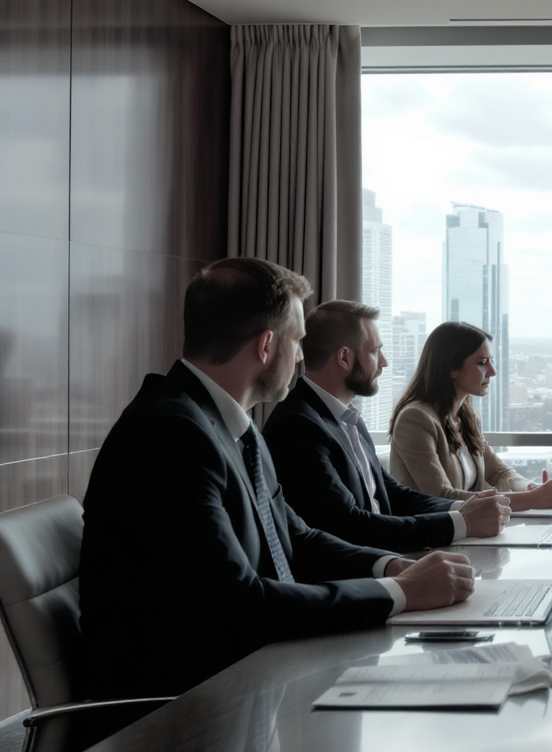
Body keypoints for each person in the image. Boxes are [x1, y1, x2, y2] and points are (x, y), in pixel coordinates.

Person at [79, 258, 475, 700]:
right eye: (298, 340)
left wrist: (391, 566)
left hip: (251, 674)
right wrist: (399, 593)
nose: (303, 356)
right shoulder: (171, 435)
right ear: (266, 345)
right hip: (184, 706)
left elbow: (296, 538)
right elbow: (239, 607)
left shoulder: (229, 427)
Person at [263, 300, 510, 553]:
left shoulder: (347, 418)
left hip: (386, 556)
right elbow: (349, 525)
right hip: (358, 573)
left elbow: (392, 493)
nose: (384, 362)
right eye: (375, 351)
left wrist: (462, 509)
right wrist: (462, 524)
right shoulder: (298, 427)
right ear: (344, 357)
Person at [389, 321, 552, 509]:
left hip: (469, 533)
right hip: (431, 534)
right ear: (452, 368)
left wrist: (533, 488)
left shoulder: (467, 418)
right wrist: (532, 499)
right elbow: (441, 496)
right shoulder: (415, 419)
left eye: (491, 361)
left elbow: (499, 473)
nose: (492, 372)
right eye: (482, 363)